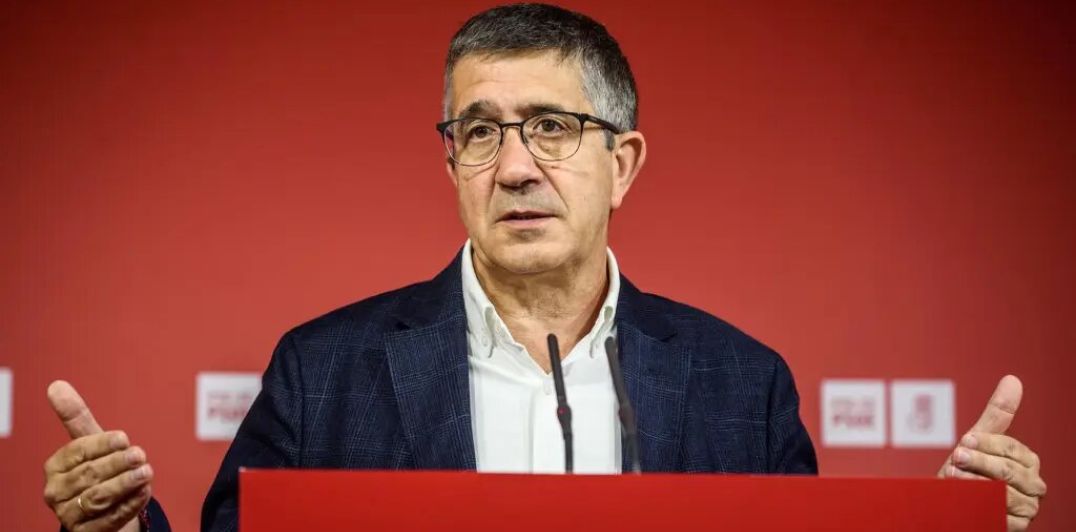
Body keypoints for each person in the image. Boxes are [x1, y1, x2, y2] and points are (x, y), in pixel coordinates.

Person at [41, 4, 1047, 532]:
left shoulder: (743, 382)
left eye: (553, 128)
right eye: (479, 131)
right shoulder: (323, 368)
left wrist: (946, 524)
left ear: (624, 161)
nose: (514, 164)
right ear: (449, 162)